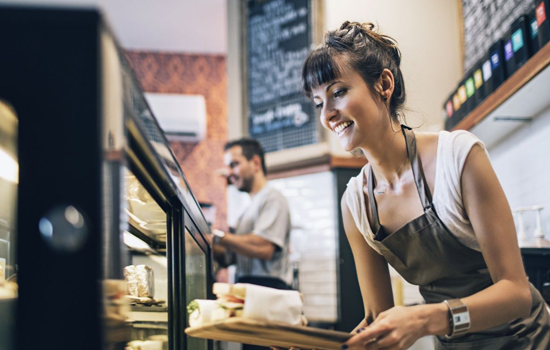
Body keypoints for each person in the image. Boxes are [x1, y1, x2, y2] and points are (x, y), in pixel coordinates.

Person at [299, 21, 550, 349]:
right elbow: (378, 320)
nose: (328, 115)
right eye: (319, 103)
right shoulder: (356, 204)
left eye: (338, 92)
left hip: (524, 340)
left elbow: (516, 294)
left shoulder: (458, 158)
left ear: (383, 85)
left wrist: (425, 319)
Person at [208, 138, 293, 288]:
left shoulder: (272, 198)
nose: (229, 173)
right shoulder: (246, 209)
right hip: (247, 285)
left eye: (234, 165)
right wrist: (202, 240)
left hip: (269, 289)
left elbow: (264, 247)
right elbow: (230, 257)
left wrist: (218, 237)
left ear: (255, 163)